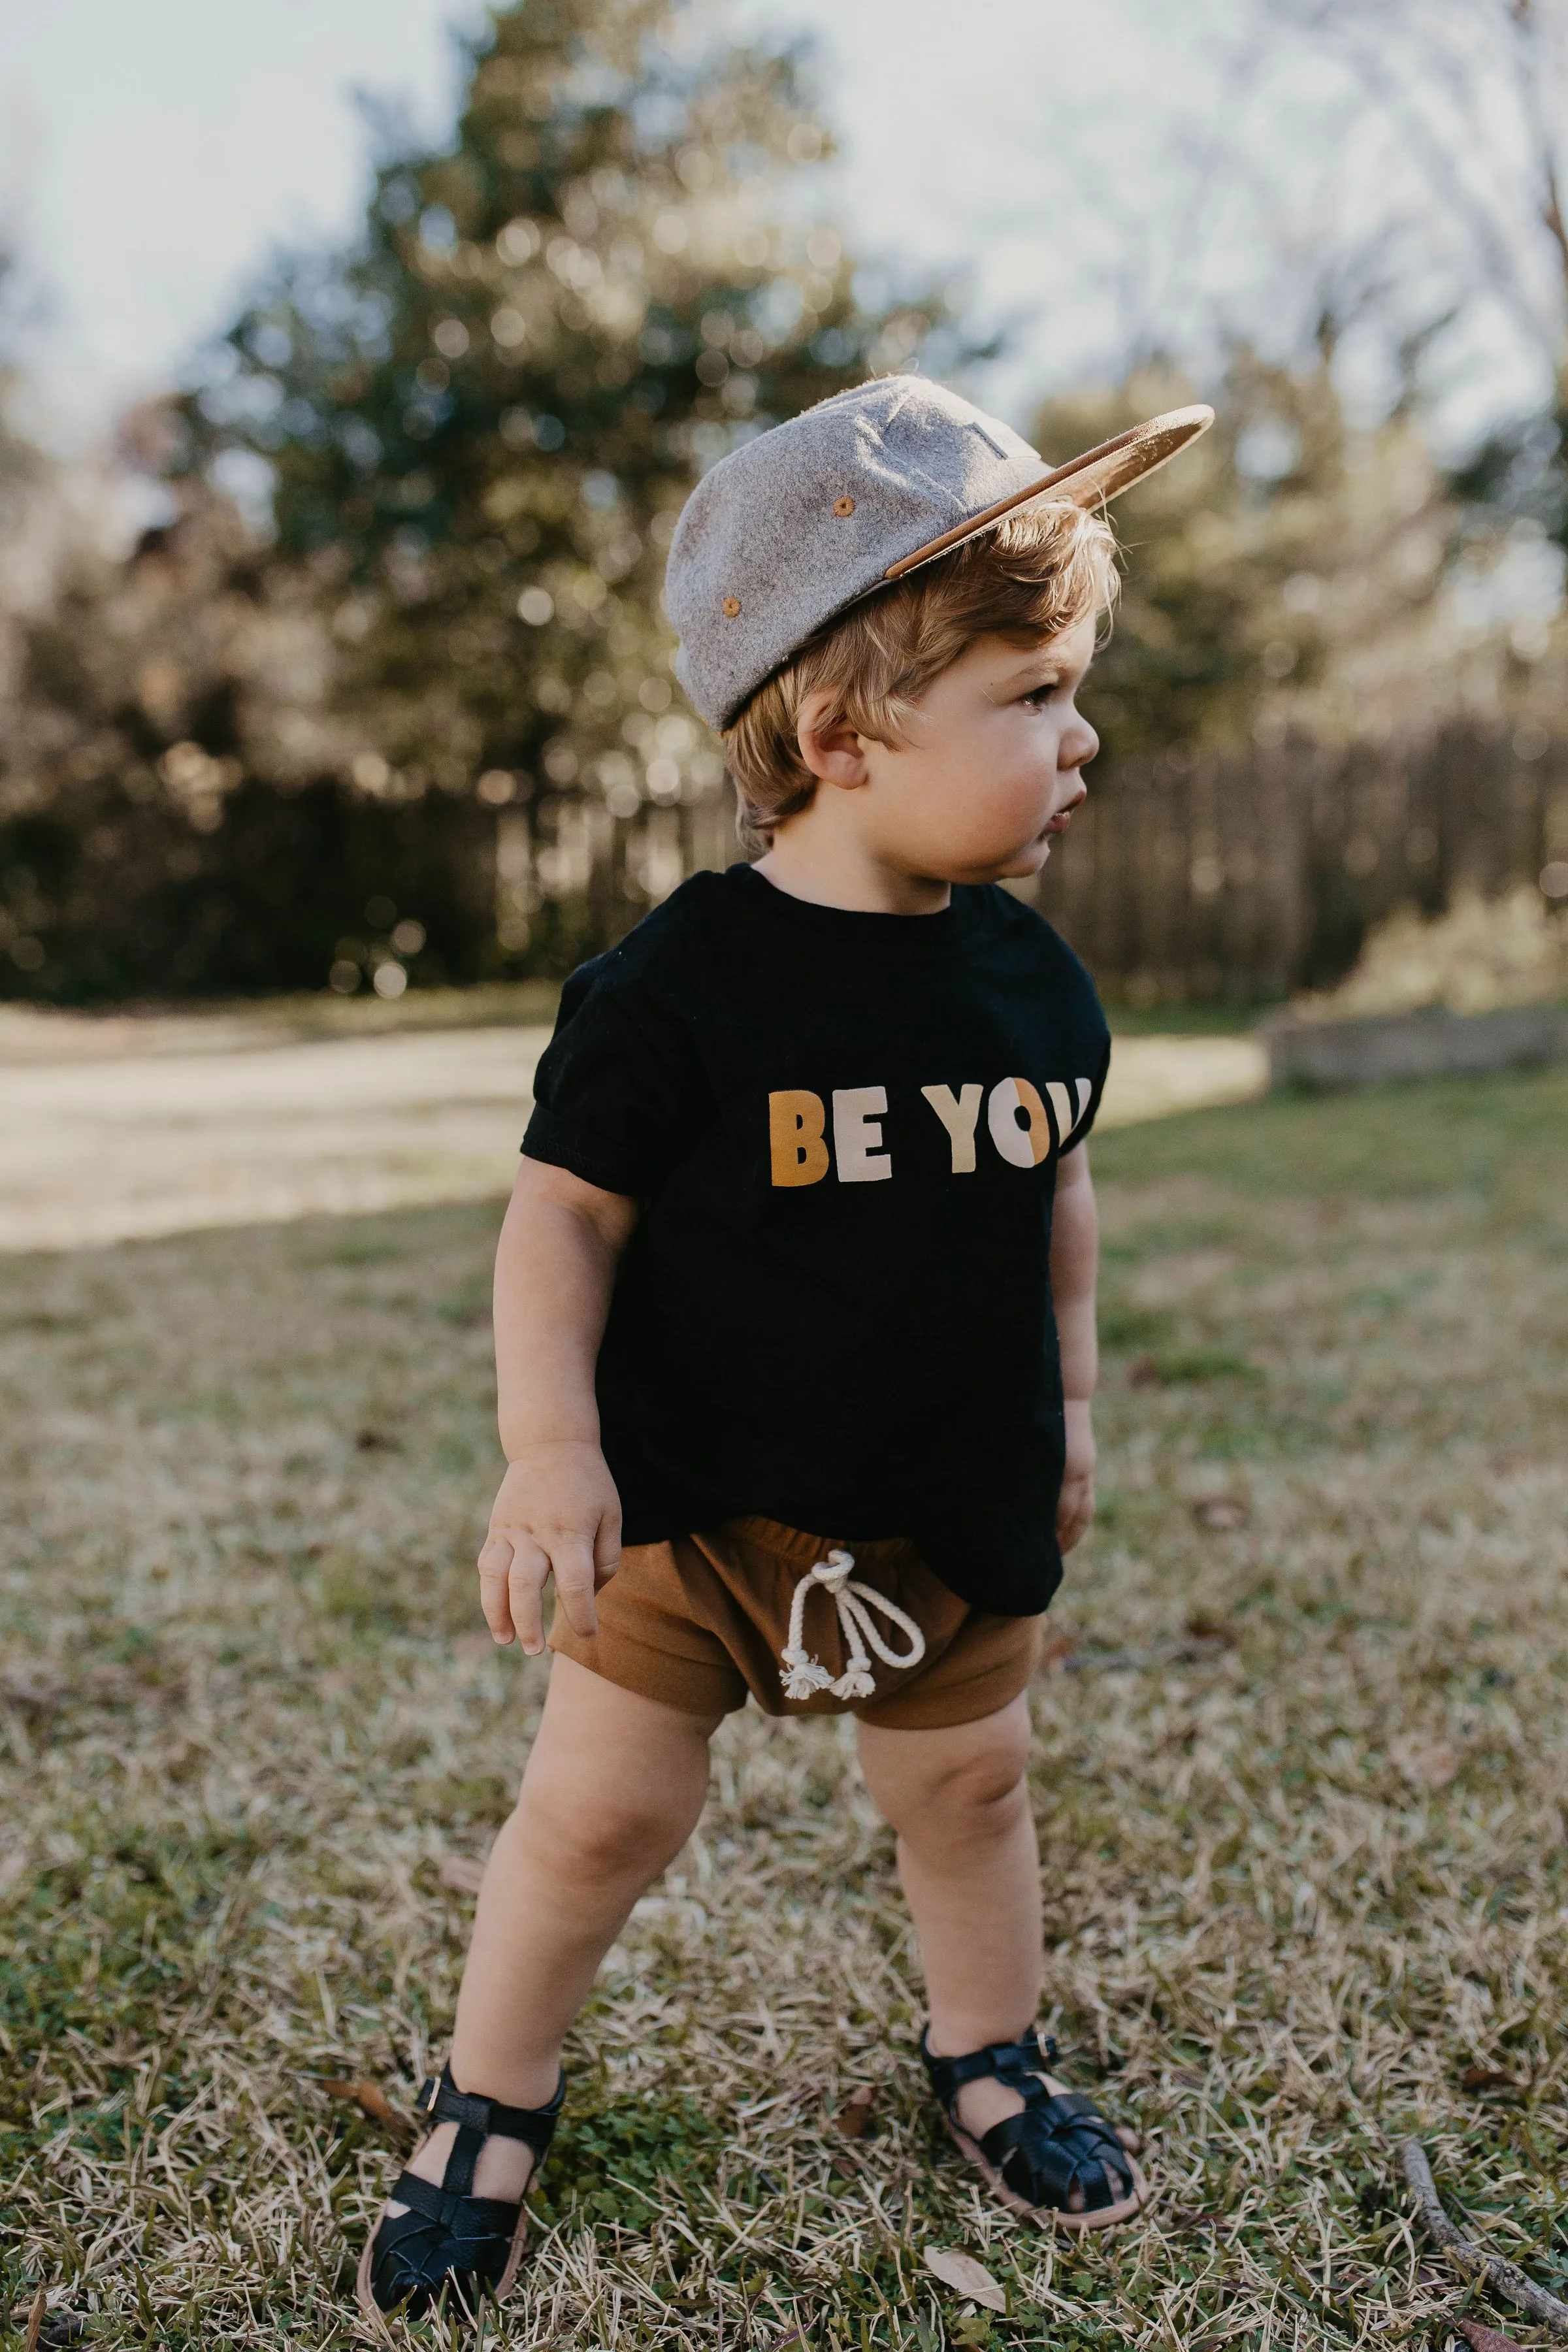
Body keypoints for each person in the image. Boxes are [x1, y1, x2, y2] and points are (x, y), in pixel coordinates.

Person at [357, 376, 1213, 2319]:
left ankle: (987, 2056)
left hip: (941, 1500)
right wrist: (552, 1449)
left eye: (1074, 689)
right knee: (601, 1811)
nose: (1083, 741)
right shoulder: (673, 993)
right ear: (840, 735)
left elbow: (1054, 1199)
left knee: (969, 1792)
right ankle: (488, 2098)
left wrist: (1070, 1405)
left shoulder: (1031, 981)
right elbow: (560, 1219)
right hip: (692, 1507)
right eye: (1035, 695)